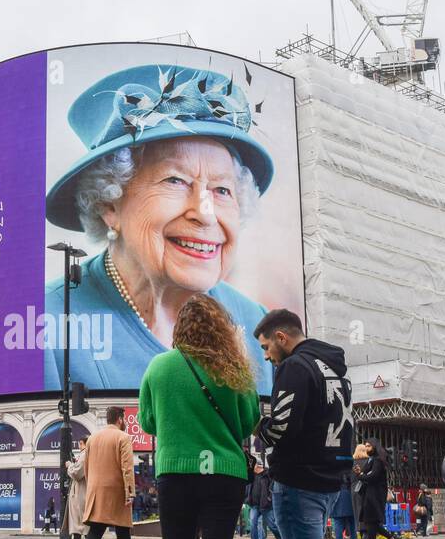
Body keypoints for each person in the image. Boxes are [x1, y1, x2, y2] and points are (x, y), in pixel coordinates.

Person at [43, 64, 278, 392]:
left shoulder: (257, 326)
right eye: (176, 181)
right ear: (109, 204)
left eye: (222, 190)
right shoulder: (50, 327)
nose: (205, 215)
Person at [138, 295, 259, 539]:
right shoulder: (233, 368)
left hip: (175, 473)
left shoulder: (159, 366)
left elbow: (149, 421)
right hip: (222, 474)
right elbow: (248, 422)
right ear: (221, 328)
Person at [253, 309, 353, 539]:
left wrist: (257, 428)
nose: (266, 356)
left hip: (299, 481)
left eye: (266, 347)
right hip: (327, 479)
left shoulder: (295, 367)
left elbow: (280, 427)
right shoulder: (333, 369)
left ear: (282, 337)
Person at [74, 406, 140, 539]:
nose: (124, 422)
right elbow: (127, 467)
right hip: (117, 490)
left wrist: (92, 487)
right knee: (123, 530)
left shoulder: (93, 438)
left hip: (96, 489)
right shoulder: (123, 437)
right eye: (123, 419)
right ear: (119, 419)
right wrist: (130, 491)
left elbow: (87, 467)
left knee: (96, 528)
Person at [353, 439, 394, 539]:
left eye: (369, 446)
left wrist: (361, 475)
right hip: (369, 495)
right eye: (365, 446)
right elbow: (366, 474)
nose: (366, 448)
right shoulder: (371, 460)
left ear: (375, 447)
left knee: (371, 522)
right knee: (371, 523)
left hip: (375, 496)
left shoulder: (378, 461)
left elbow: (373, 476)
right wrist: (359, 473)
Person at [61, 437, 90, 539]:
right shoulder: (86, 455)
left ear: (81, 443)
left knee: (78, 525)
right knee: (81, 525)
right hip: (80, 493)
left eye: (79, 443)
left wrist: (69, 466)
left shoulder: (85, 454)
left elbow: (77, 473)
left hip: (80, 494)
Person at [246, 463, 274, 539]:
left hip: (265, 504)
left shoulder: (267, 474)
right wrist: (246, 498)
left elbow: (272, 487)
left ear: (257, 466)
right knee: (253, 522)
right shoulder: (252, 476)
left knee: (272, 525)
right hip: (254, 504)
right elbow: (247, 487)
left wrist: (269, 498)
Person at [330, 472, 355, 539]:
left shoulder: (333, 469)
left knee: (338, 522)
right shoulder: (348, 468)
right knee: (352, 521)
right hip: (348, 495)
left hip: (335, 496)